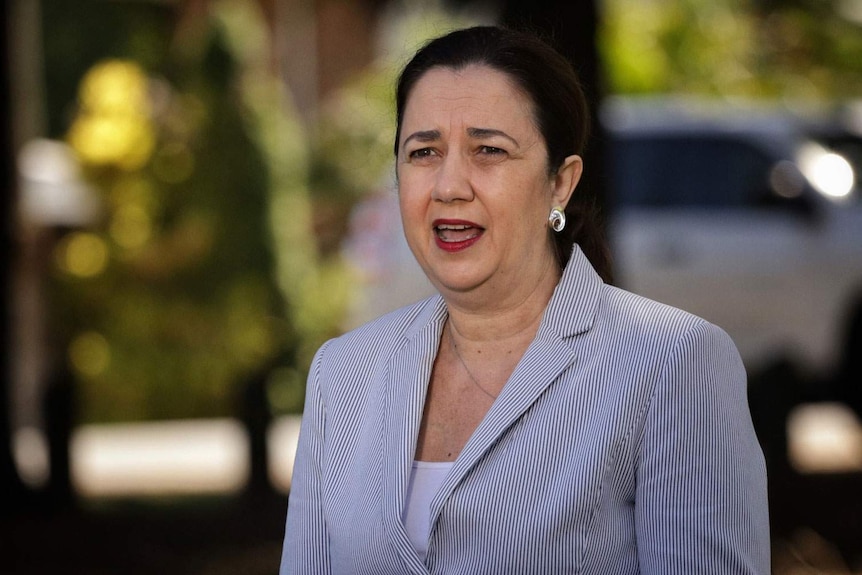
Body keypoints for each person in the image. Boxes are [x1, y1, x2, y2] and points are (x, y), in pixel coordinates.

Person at [280, 25, 770, 574]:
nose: (449, 185)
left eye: (489, 150)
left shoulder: (674, 364)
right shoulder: (343, 375)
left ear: (560, 183)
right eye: (423, 151)